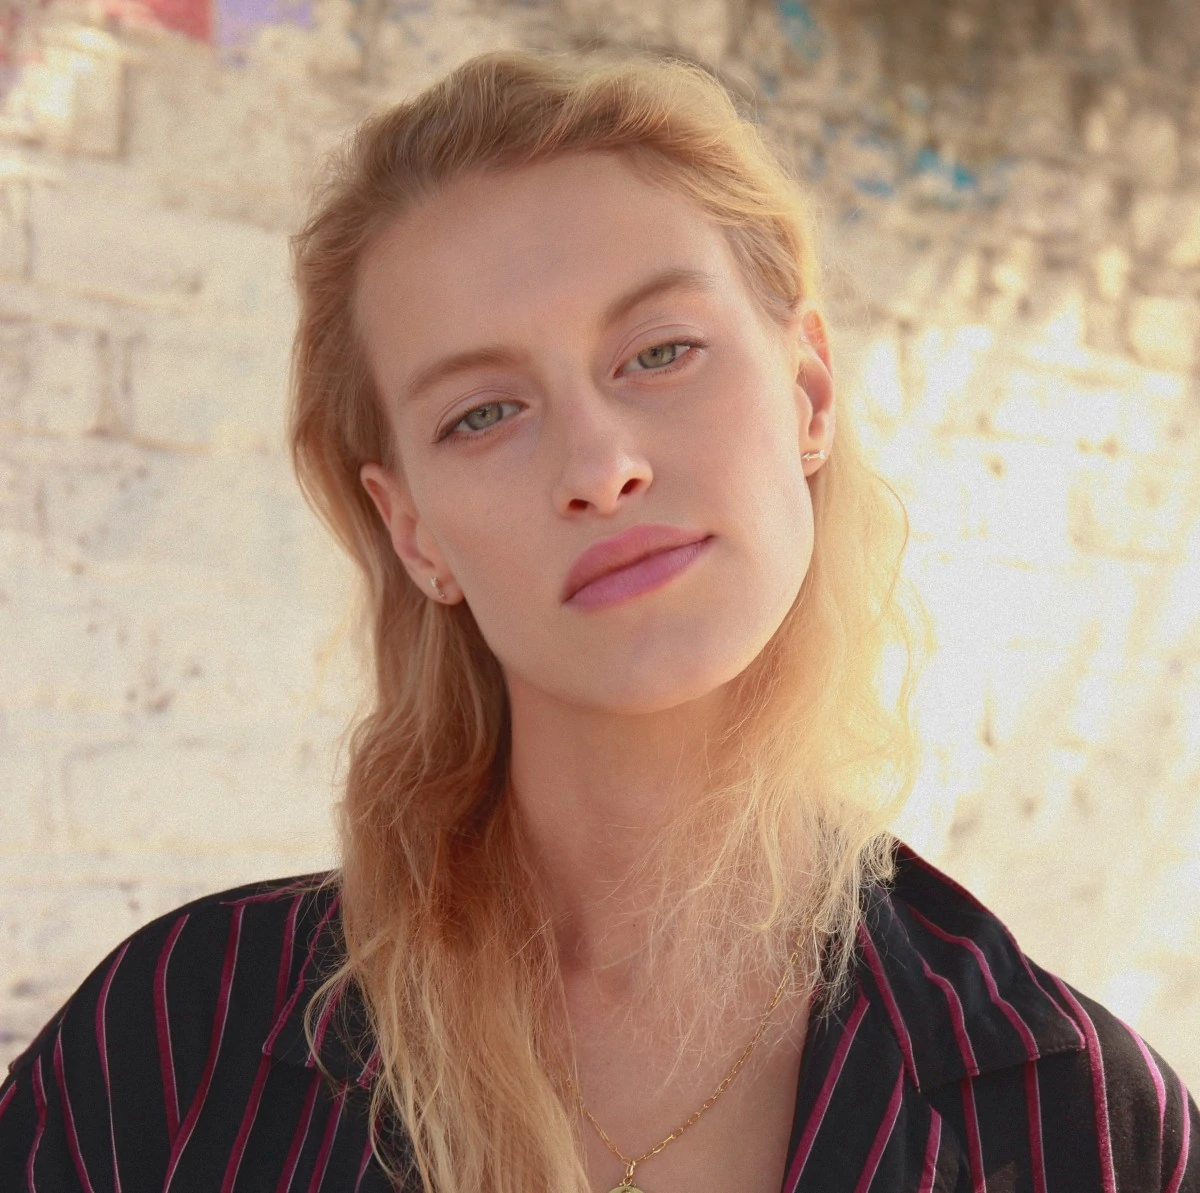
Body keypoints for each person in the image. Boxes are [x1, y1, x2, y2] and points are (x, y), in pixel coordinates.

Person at [1, 45, 1197, 1193]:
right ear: (413, 528)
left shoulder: (1085, 1123)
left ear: (808, 391)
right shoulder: (168, 1056)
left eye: (660, 350)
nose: (599, 465)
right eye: (483, 413)